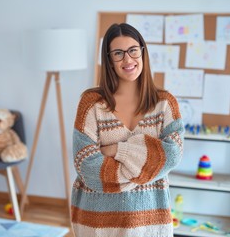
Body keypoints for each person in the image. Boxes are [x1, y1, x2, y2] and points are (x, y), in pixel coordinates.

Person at [71, 23, 184, 237]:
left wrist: (116, 150)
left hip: (150, 222)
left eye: (133, 50)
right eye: (118, 53)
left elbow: (173, 154)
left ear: (142, 52)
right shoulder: (91, 103)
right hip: (97, 222)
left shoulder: (165, 103)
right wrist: (148, 165)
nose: (127, 59)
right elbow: (86, 166)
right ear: (109, 60)